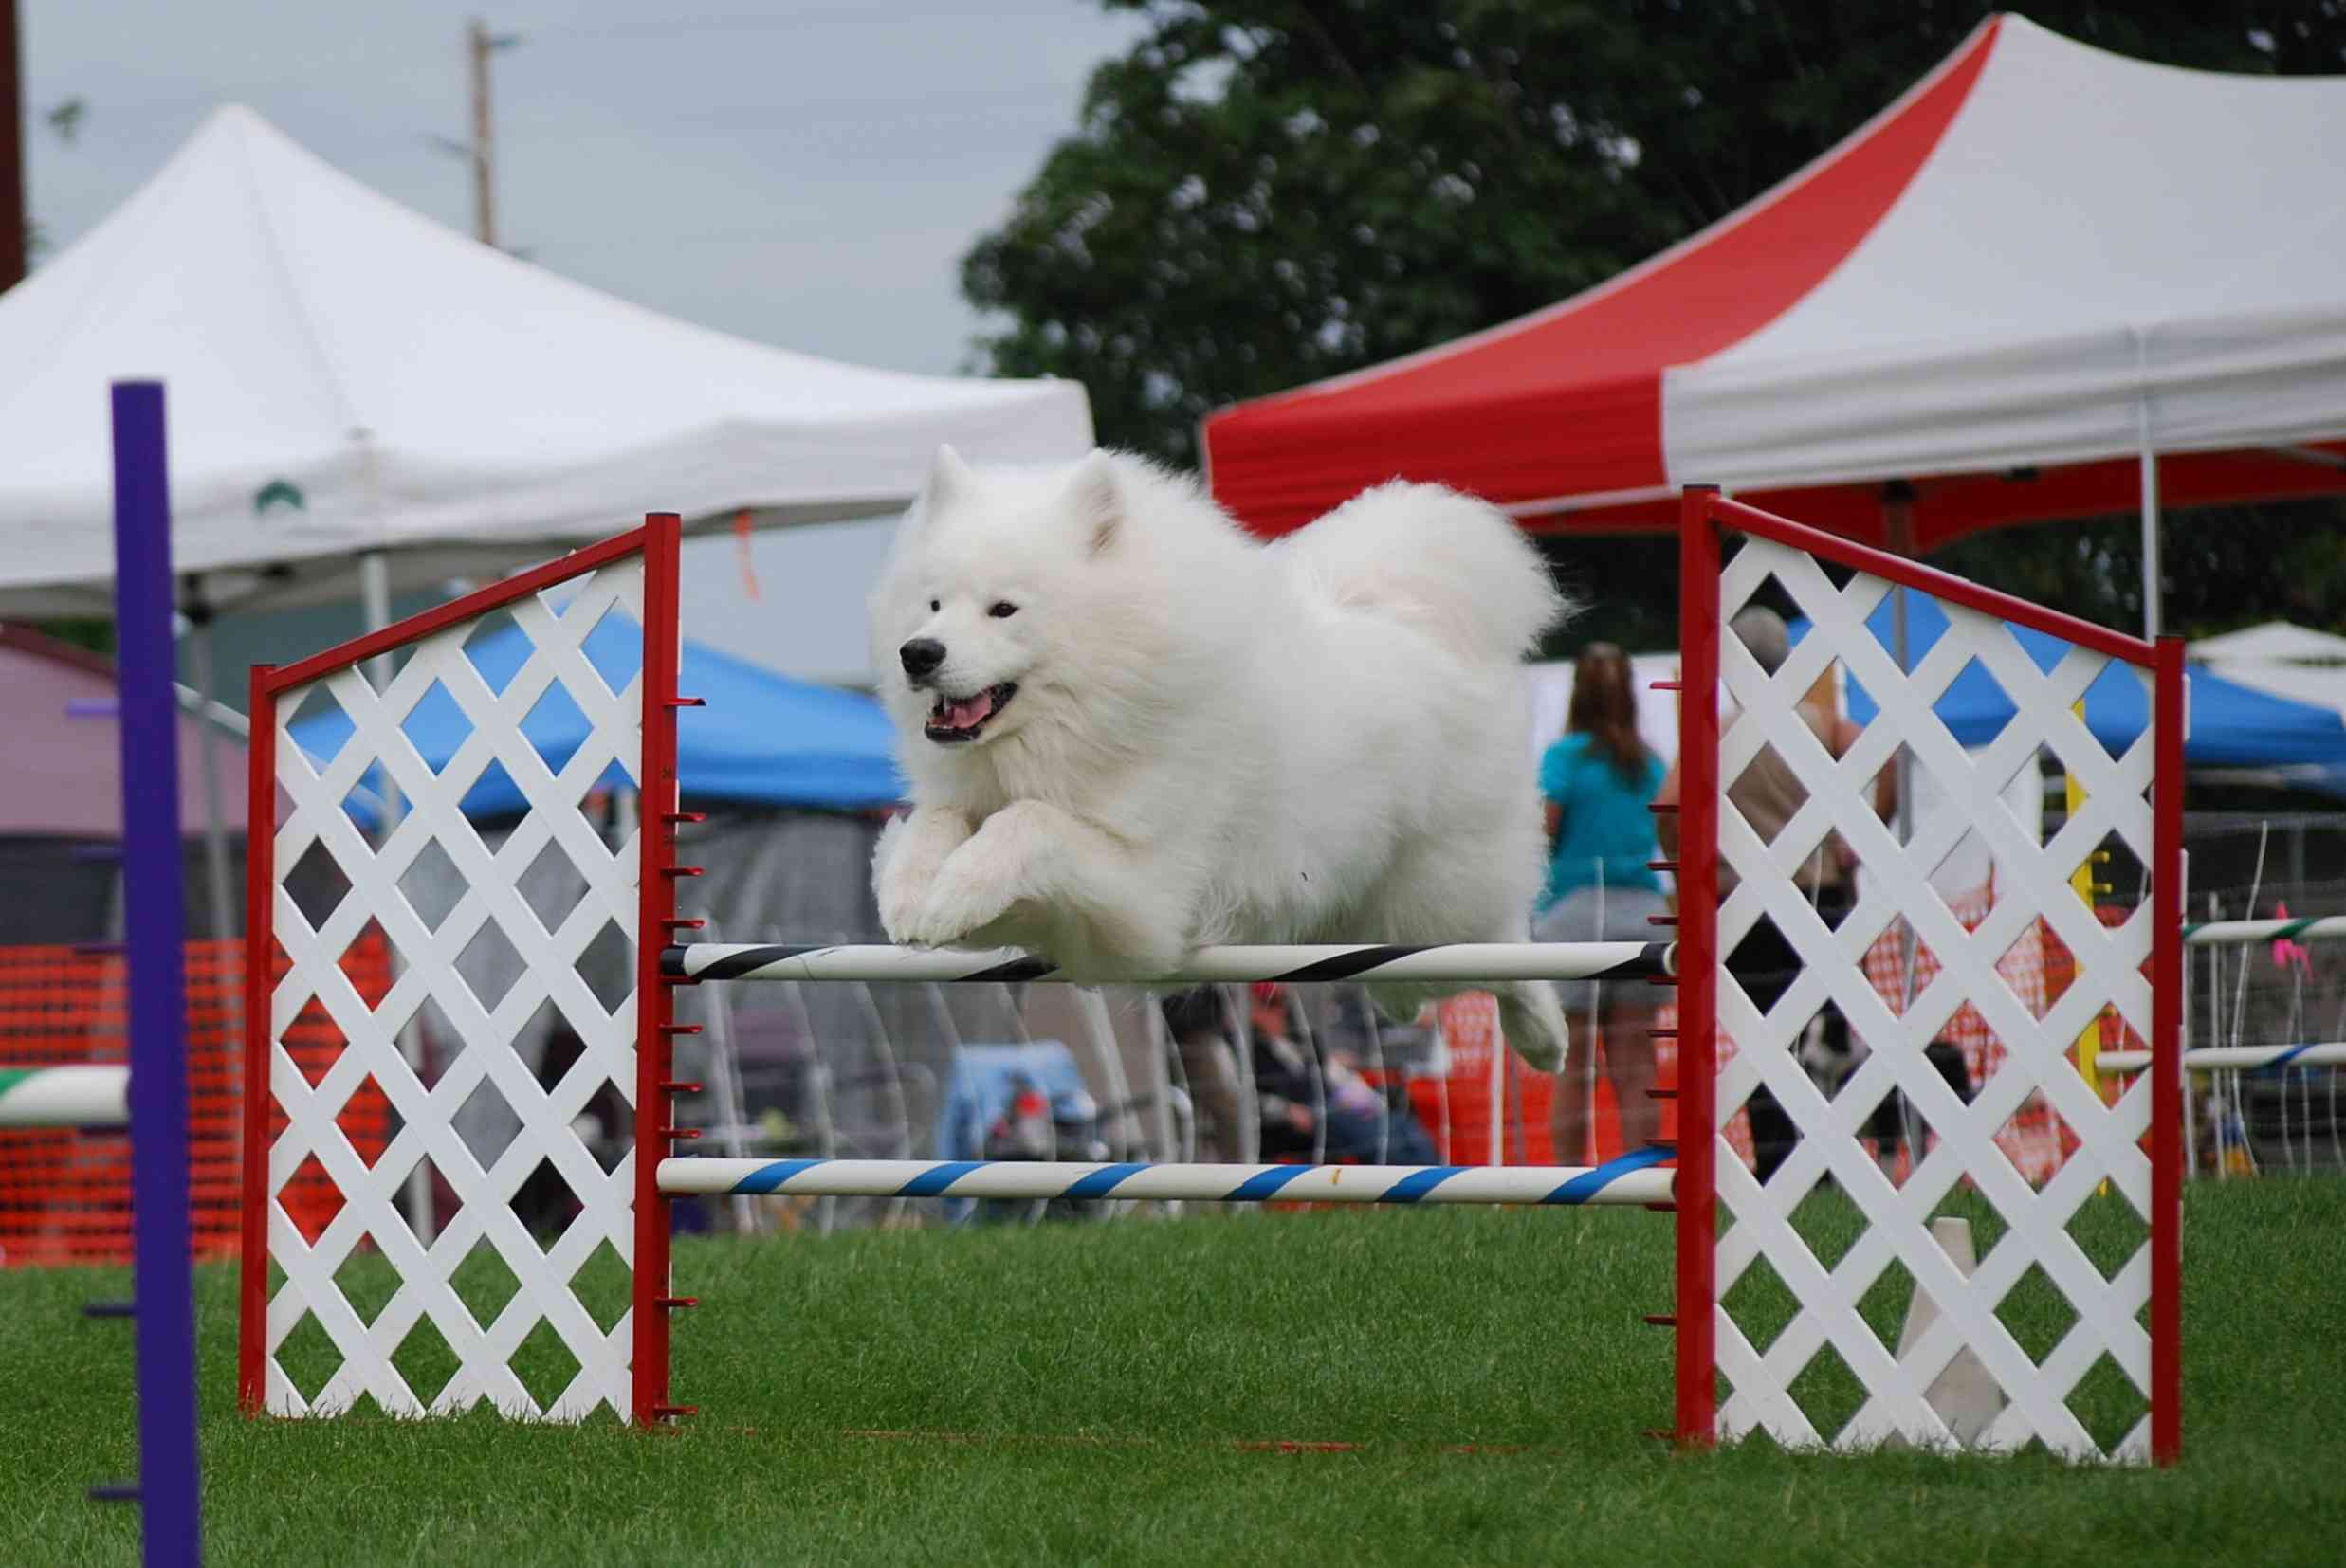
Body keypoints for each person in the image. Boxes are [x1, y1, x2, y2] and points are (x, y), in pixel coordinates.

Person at [1653, 607, 1897, 1181]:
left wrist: (1689, 866)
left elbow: (1670, 802)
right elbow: (1883, 752)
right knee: (1826, 1039)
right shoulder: (1819, 722)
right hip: (1821, 896)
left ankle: (1777, 1163)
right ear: (1789, 659)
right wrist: (1861, 831)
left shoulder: (1718, 735)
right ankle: (1832, 1157)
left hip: (1746, 905)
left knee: (1765, 1041)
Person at [1533, 643, 1669, 1161]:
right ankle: (1640, 1179)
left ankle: (1570, 1182)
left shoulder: (1563, 758)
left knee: (1574, 1060)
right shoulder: (1650, 763)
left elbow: (1545, 829)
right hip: (1642, 916)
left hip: (1575, 917)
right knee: (1636, 1063)